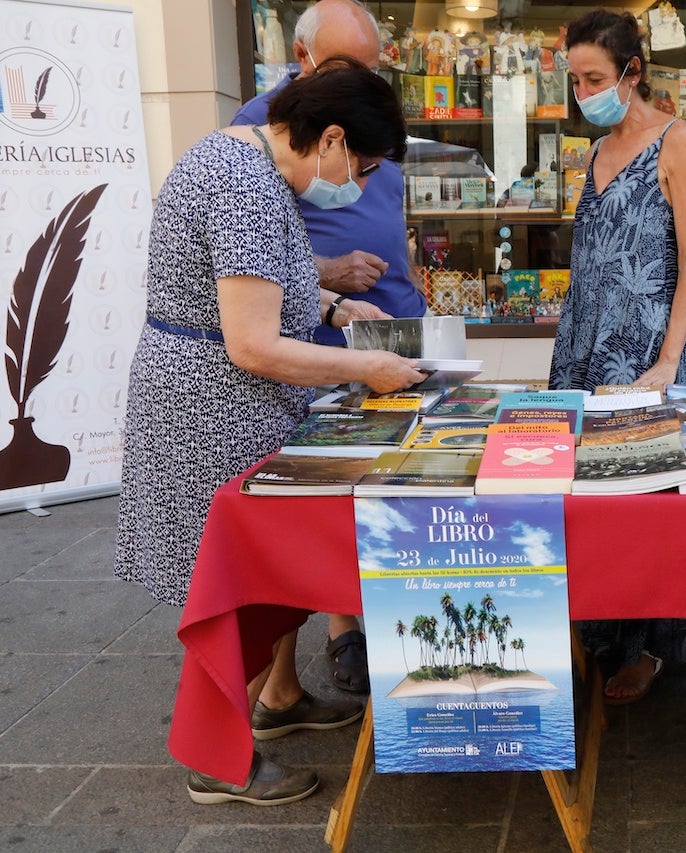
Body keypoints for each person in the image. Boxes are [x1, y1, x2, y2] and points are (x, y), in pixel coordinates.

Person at [114, 57, 424, 805]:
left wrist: (332, 308)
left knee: (262, 571)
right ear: (332, 140)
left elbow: (262, 280)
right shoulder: (246, 184)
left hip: (228, 398)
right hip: (211, 405)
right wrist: (367, 365)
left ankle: (277, 700)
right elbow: (251, 341)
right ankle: (220, 758)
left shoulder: (248, 161)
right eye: (367, 165)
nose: (360, 182)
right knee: (233, 582)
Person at [232, 0, 429, 695]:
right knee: (314, 500)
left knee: (390, 479)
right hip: (314, 341)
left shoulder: (370, 125)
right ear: (304, 57)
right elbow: (250, 264)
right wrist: (327, 275)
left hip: (385, 315)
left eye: (371, 70)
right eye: (348, 69)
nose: (360, 81)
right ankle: (321, 645)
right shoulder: (259, 136)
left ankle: (374, 618)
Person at [548, 10, 686, 704]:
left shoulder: (677, 141)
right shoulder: (592, 152)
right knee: (589, 499)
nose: (583, 92)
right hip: (584, 345)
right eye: (575, 79)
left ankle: (647, 642)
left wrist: (669, 358)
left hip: (644, 346)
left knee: (648, 504)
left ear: (631, 73)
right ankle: (603, 632)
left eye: (594, 78)